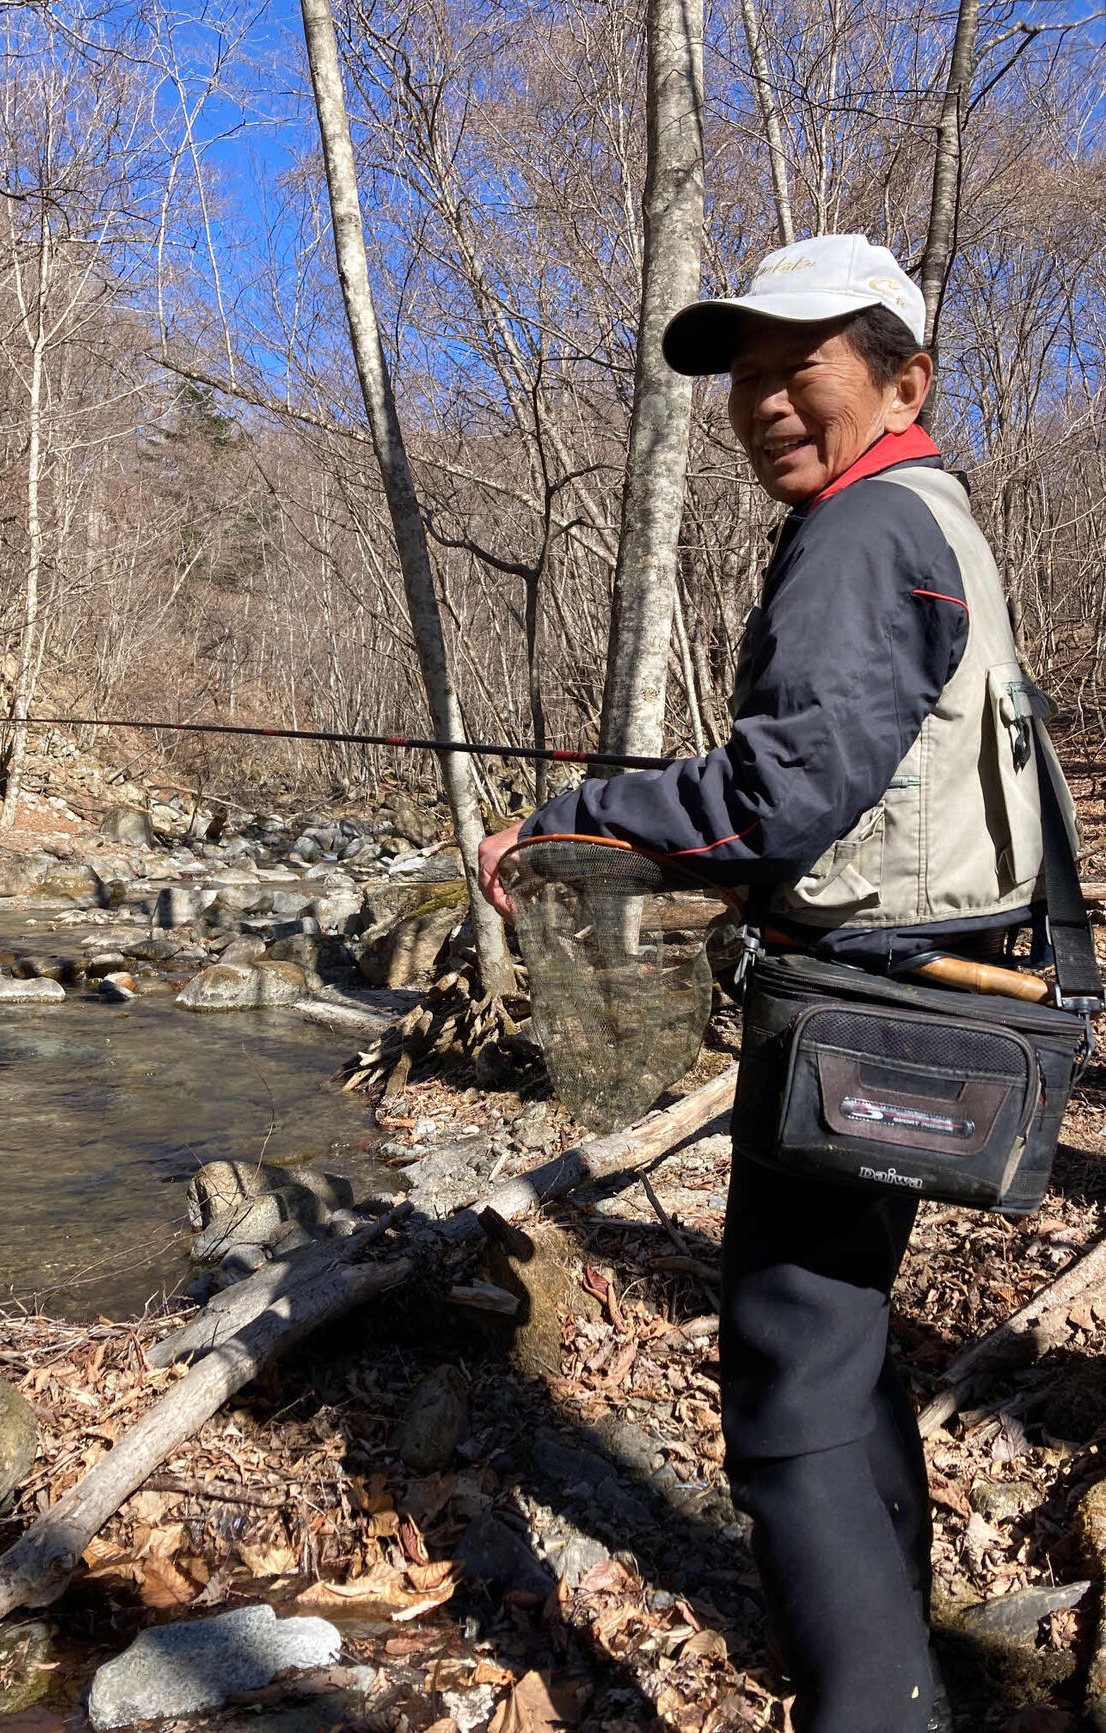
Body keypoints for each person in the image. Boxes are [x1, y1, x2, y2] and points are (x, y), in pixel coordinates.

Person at [478, 233, 1066, 1733]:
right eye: (742, 379)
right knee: (845, 1337)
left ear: (903, 377)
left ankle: (877, 1705)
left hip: (866, 1020)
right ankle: (902, 1649)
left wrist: (578, 818)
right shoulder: (930, 512)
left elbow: (780, 796)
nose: (760, 405)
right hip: (924, 1002)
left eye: (795, 367)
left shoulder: (867, 530)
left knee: (789, 1391)